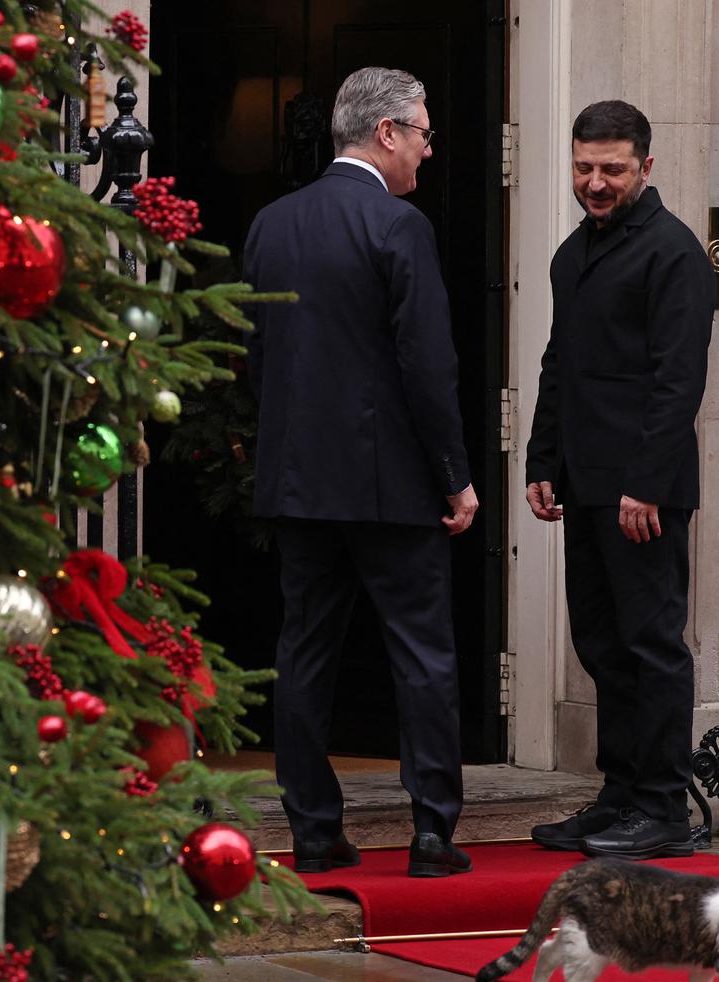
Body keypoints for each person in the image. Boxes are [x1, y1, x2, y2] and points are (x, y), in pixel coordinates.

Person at [244, 66, 479, 879]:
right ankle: (430, 833)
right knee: (421, 654)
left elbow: (257, 357)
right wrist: (455, 475)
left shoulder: (271, 224)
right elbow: (427, 364)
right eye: (420, 133)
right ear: (384, 133)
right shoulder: (398, 224)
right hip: (390, 485)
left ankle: (312, 831)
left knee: (304, 650)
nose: (426, 150)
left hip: (299, 480)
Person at [525, 100, 714, 860]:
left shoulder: (672, 254)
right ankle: (620, 794)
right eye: (583, 167)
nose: (594, 182)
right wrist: (542, 462)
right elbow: (557, 365)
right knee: (601, 643)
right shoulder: (572, 255)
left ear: (645, 165)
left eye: (611, 169)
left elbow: (678, 381)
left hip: (645, 493)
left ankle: (663, 807)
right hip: (585, 483)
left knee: (650, 643)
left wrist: (644, 485)